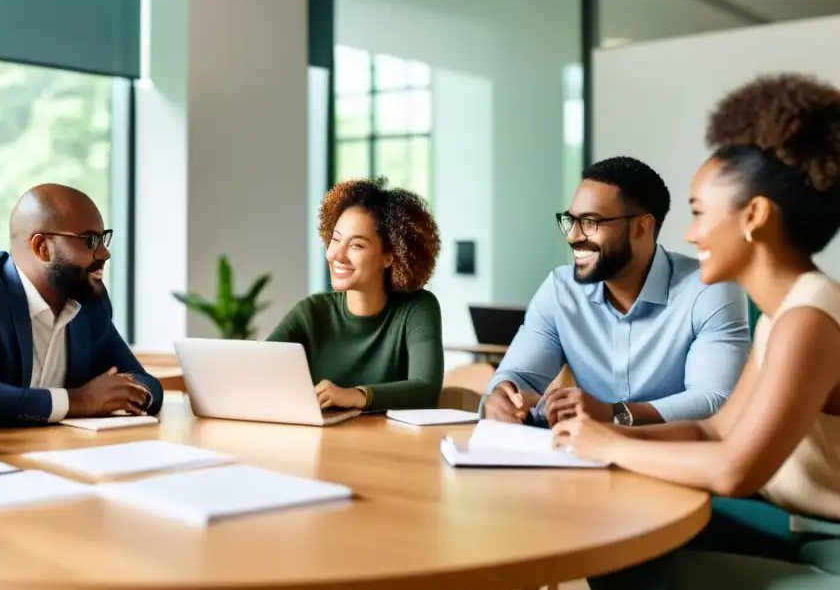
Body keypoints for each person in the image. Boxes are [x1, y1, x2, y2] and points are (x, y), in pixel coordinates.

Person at [555, 74, 840, 590]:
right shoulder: (785, 315)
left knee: (641, 559)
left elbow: (735, 469)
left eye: (699, 211)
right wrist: (602, 431)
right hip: (802, 528)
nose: (689, 233)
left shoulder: (810, 317)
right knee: (614, 532)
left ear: (753, 216)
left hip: (828, 548)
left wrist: (608, 446)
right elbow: (714, 429)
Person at [483, 156, 749, 429]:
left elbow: (715, 399)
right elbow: (517, 376)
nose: (573, 236)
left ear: (641, 227)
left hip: (674, 461)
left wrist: (616, 413)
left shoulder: (709, 289)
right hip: (581, 459)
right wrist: (503, 394)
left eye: (590, 222)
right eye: (570, 221)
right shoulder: (561, 290)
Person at [0, 184, 163, 427]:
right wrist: (80, 401)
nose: (104, 253)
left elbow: (147, 383)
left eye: (102, 239)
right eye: (90, 241)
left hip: (50, 450)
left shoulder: (89, 303)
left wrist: (127, 394)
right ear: (42, 248)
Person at [268, 177, 443, 412]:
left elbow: (425, 390)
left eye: (356, 245)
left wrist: (356, 396)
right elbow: (258, 370)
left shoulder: (418, 308)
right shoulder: (311, 312)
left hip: (393, 445)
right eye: (335, 240)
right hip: (323, 443)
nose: (337, 255)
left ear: (390, 256)